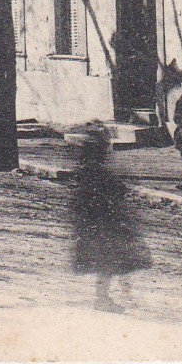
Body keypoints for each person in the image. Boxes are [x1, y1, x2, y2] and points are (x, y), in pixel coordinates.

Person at [70, 125, 150, 313]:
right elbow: (112, 192)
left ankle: (106, 296)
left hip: (95, 222)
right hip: (103, 222)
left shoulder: (86, 171)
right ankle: (103, 297)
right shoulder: (98, 173)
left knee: (107, 261)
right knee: (108, 261)